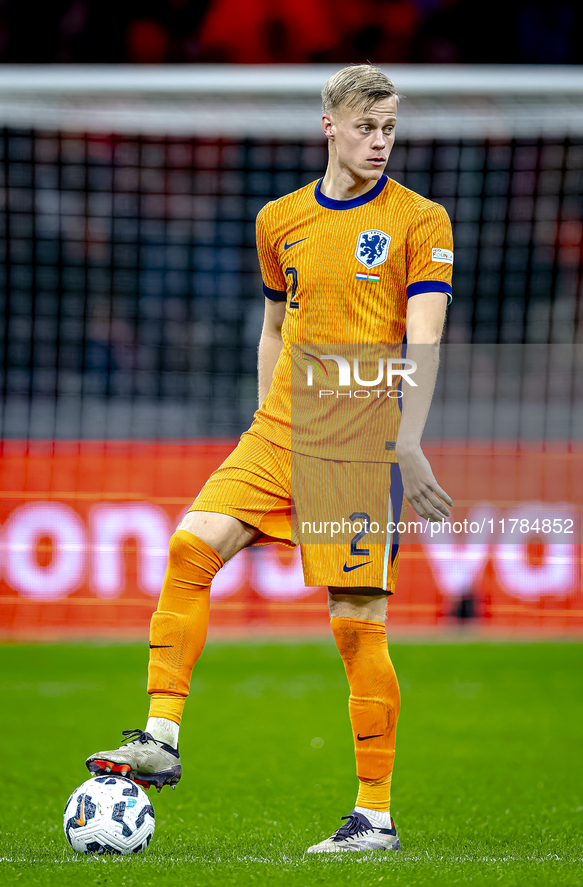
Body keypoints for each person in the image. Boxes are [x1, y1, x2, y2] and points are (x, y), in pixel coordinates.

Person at [86, 64, 453, 854]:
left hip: (358, 440)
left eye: (389, 128)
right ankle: (159, 734)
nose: (380, 142)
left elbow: (423, 337)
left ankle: (374, 816)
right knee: (189, 548)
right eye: (366, 127)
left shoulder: (420, 220)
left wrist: (411, 436)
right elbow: (274, 329)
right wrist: (262, 420)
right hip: (279, 430)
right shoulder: (278, 219)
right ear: (330, 125)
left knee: (356, 624)